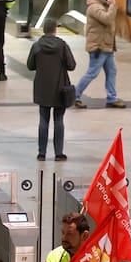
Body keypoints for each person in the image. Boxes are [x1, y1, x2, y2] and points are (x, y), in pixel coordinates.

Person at [27, 19, 77, 161]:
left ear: (44, 30)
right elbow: (72, 65)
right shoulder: (62, 46)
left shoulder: (37, 46)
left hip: (42, 89)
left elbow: (30, 66)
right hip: (59, 88)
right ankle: (58, 153)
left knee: (43, 120)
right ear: (55, 30)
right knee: (59, 120)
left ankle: (41, 153)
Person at [74, 0, 127, 109]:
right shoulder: (95, 7)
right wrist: (113, 6)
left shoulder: (104, 5)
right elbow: (107, 19)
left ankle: (112, 98)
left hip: (107, 46)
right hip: (98, 46)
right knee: (92, 73)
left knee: (112, 71)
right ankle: (75, 95)